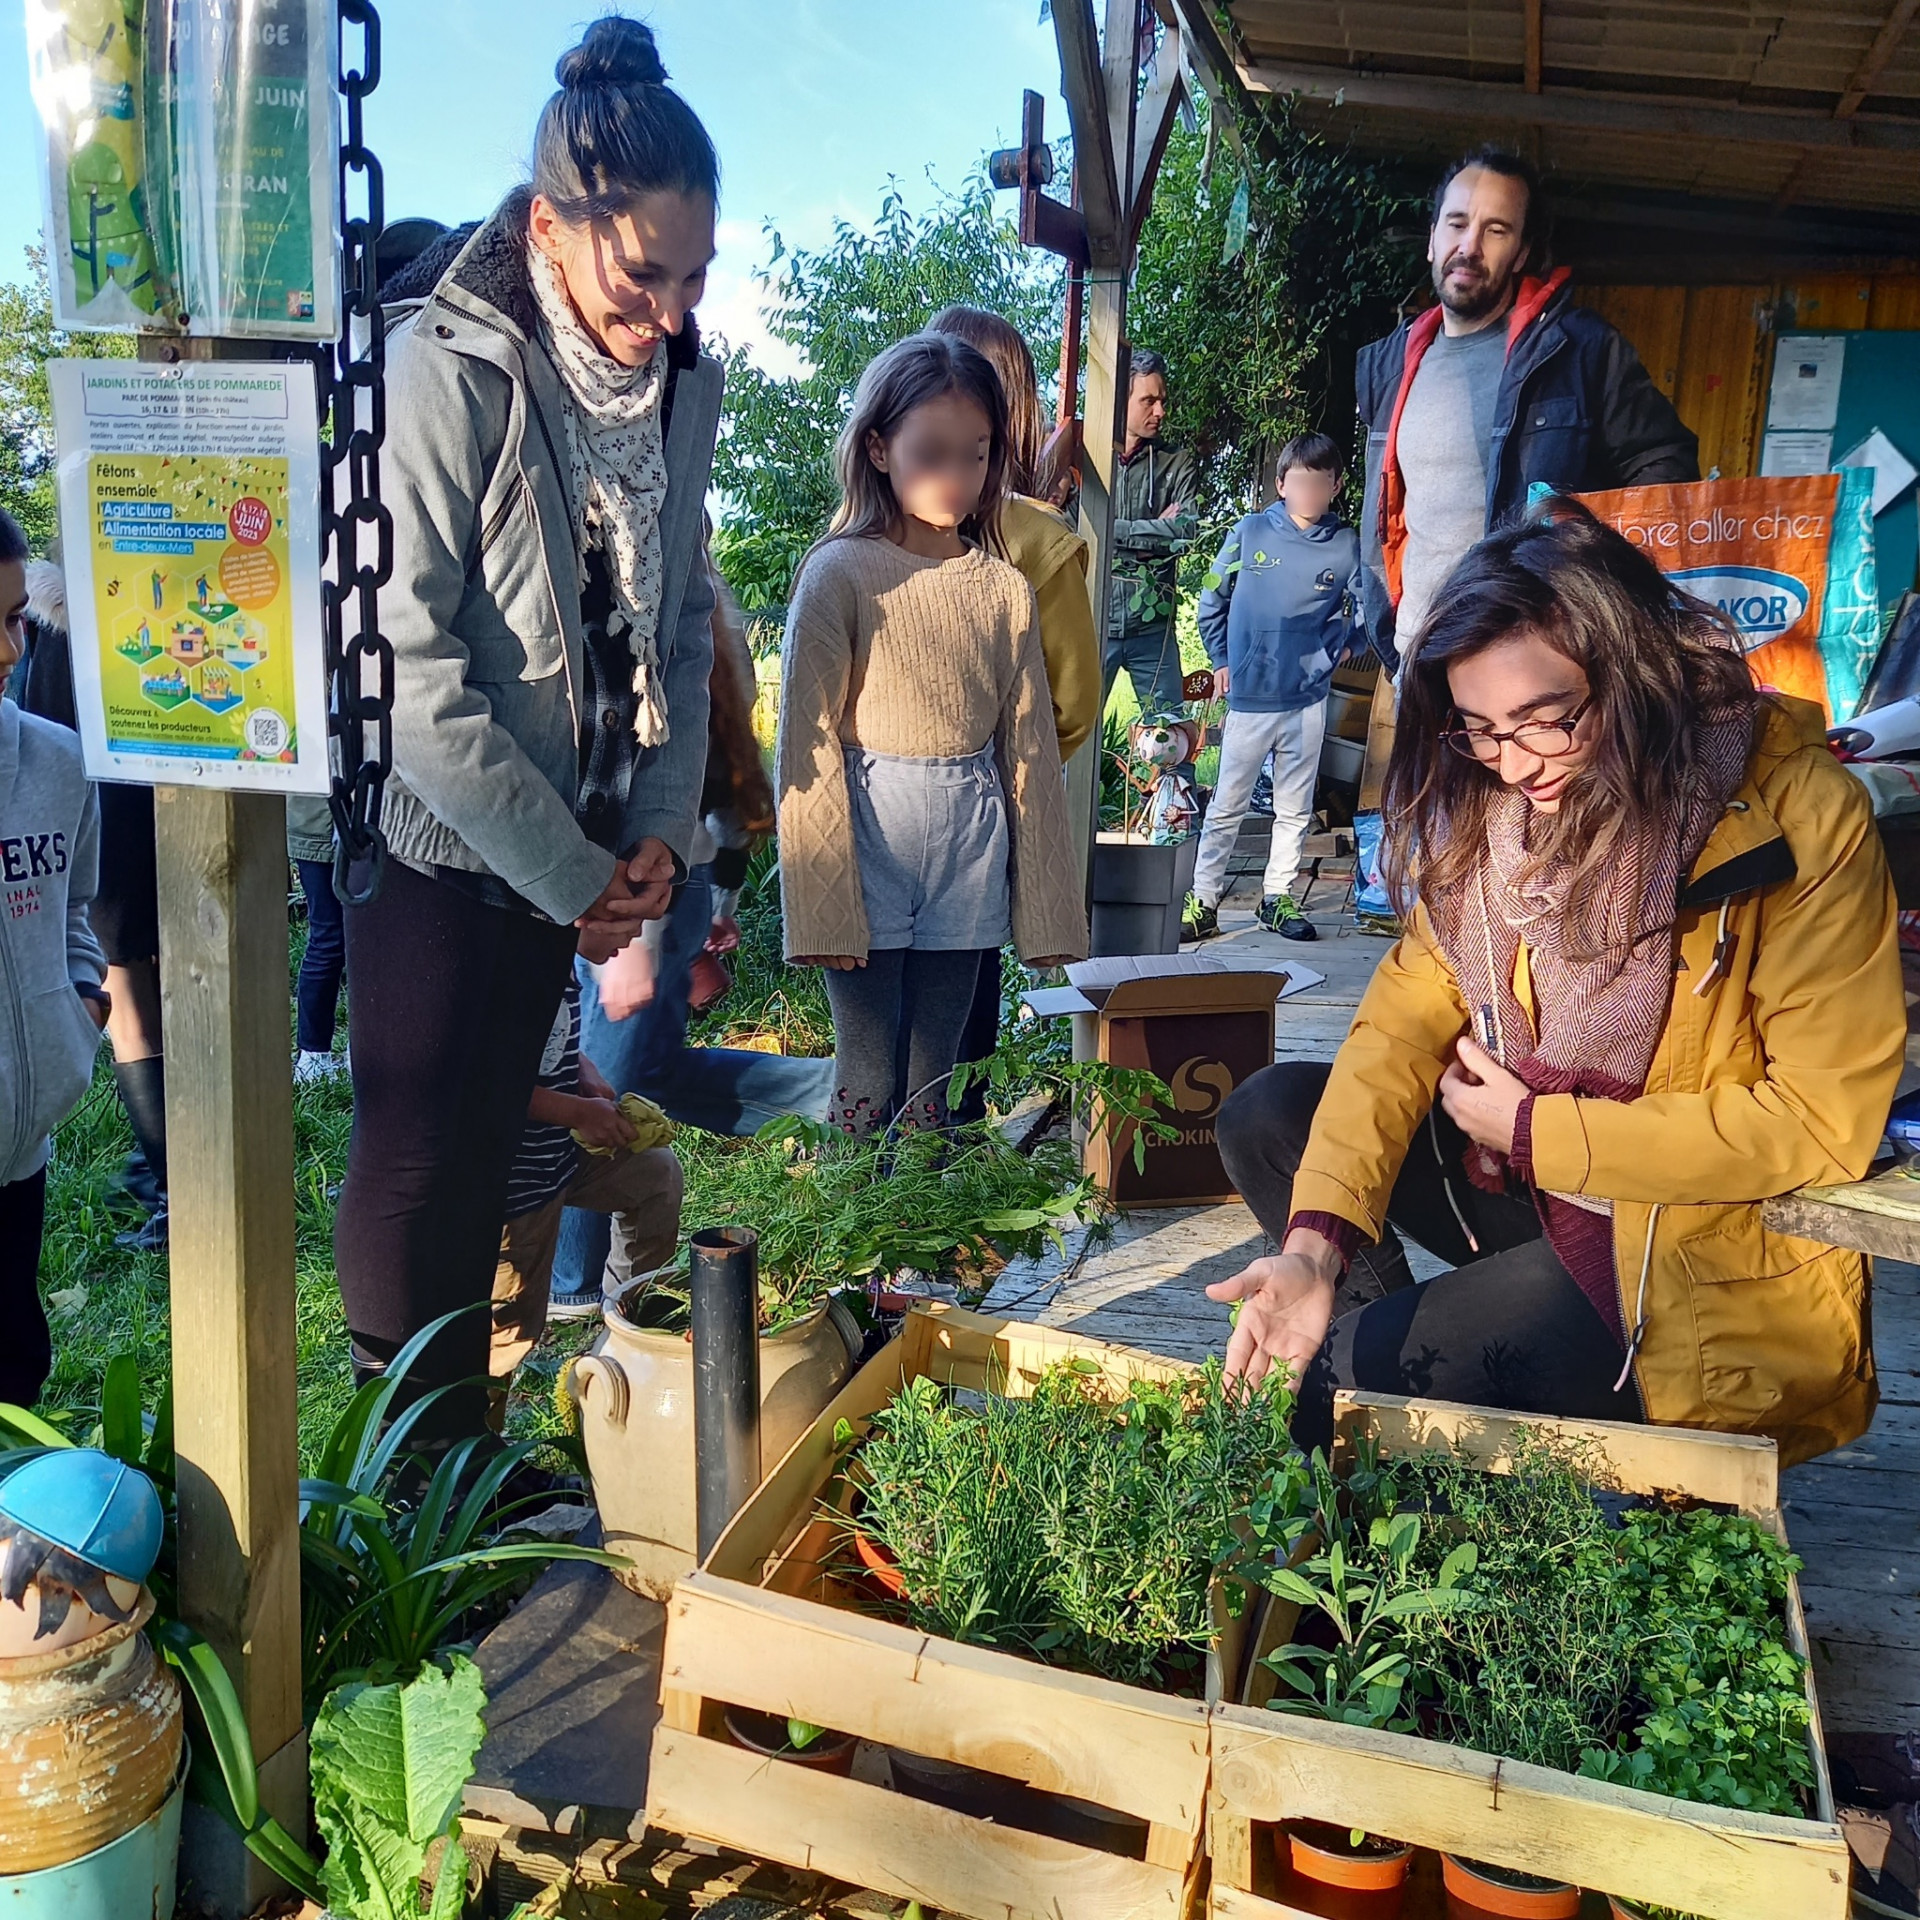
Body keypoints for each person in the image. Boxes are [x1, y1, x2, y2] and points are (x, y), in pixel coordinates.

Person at [1208, 502, 1902, 1470]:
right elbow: (1397, 1031)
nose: (1513, 763)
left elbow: (1821, 1119)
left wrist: (1540, 1133)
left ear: (1636, 672)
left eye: (1546, 722)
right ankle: (1426, 1421)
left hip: (1692, 1255)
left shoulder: (1792, 819)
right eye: (1481, 730)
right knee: (1268, 1114)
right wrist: (1313, 1250)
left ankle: (1407, 1408)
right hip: (1538, 1184)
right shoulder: (1492, 810)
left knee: (1350, 1380)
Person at [332, 15, 724, 1446]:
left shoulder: (684, 383)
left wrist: (659, 834)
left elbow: (681, 622)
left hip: (594, 830)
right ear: (554, 227)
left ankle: (468, 1468)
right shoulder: (448, 365)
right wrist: (575, 875)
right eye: (644, 273)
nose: (672, 310)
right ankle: (405, 1489)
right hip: (450, 835)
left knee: (500, 1142)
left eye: (697, 276)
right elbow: (411, 670)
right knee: (420, 1152)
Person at [776, 331, 1087, 1137]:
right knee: (868, 1075)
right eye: (932, 453)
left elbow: (1029, 756)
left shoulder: (1003, 591)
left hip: (968, 851)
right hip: (867, 845)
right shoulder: (837, 572)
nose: (957, 477)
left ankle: (922, 1254)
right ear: (878, 448)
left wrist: (1049, 914)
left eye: (977, 455)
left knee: (934, 1088)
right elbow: (804, 745)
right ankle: (847, 1253)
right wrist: (820, 903)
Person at [545, 555, 834, 1317]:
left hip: (638, 892)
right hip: (664, 886)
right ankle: (832, 1093)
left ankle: (571, 1284)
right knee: (639, 1073)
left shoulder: (635, 618)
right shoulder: (696, 612)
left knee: (613, 1083)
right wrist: (719, 901)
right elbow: (734, 786)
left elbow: (631, 783)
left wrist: (639, 937)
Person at [1358, 147, 1698, 662]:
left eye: (1496, 230)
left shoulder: (1580, 351)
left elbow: (1666, 468)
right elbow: (1386, 515)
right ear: (1432, 241)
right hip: (1415, 655)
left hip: (1525, 665)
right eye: (1456, 224)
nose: (1469, 246)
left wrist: (1584, 579)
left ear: (1520, 253)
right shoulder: (1390, 365)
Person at [926, 304, 1102, 1120]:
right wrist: (998, 778)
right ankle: (945, 1211)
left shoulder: (865, 526)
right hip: (979, 824)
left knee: (885, 1040)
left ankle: (897, 1201)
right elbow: (1073, 702)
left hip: (876, 827)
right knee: (960, 1036)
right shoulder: (1040, 538)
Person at [11, 552, 167, 1249]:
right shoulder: (154, 607)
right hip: (151, 817)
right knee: (149, 995)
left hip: (108, 825)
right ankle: (165, 1170)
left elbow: (37, 720)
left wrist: (82, 1006)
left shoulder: (55, 624)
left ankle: (168, 1181)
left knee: (132, 999)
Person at [0, 506, 110, 1409]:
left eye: (11, 620)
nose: (8, 650)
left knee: (15, 1366)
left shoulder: (56, 760)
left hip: (20, 1143)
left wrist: (83, 1000)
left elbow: (75, 904)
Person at [1184, 432, 1364, 946]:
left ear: (1334, 487)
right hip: (1250, 696)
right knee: (1227, 804)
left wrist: (1344, 648)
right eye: (1299, 481)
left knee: (1294, 807)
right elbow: (1210, 598)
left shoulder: (1346, 545)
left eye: (1320, 482)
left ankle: (1276, 897)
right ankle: (1204, 901)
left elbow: (1371, 605)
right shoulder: (1251, 532)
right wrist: (1221, 658)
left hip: (1307, 698)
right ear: (1282, 483)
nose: (1308, 491)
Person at [490, 978, 681, 1413]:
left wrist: (580, 1069)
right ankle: (478, 1460)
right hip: (513, 1184)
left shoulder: (558, 953)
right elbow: (482, 1084)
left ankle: (626, 1335)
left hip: (561, 1151)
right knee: (507, 1331)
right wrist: (576, 1111)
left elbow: (548, 1041)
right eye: (623, 920)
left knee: (656, 1176)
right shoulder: (507, 962)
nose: (631, 937)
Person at [1103, 349, 1197, 720]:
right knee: (1070, 746)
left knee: (1171, 740)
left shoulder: (1177, 462)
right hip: (1096, 625)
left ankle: (1175, 783)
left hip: (1153, 628)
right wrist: (1154, 533)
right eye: (1148, 400)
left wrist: (1111, 530)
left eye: (1162, 401)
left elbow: (1185, 532)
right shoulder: (1087, 458)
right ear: (1119, 402)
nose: (1160, 411)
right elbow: (1070, 531)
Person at [287, 797, 345, 1084]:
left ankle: (314, 1056)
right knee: (334, 941)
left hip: (311, 823)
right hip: (325, 827)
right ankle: (315, 1056)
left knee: (328, 940)